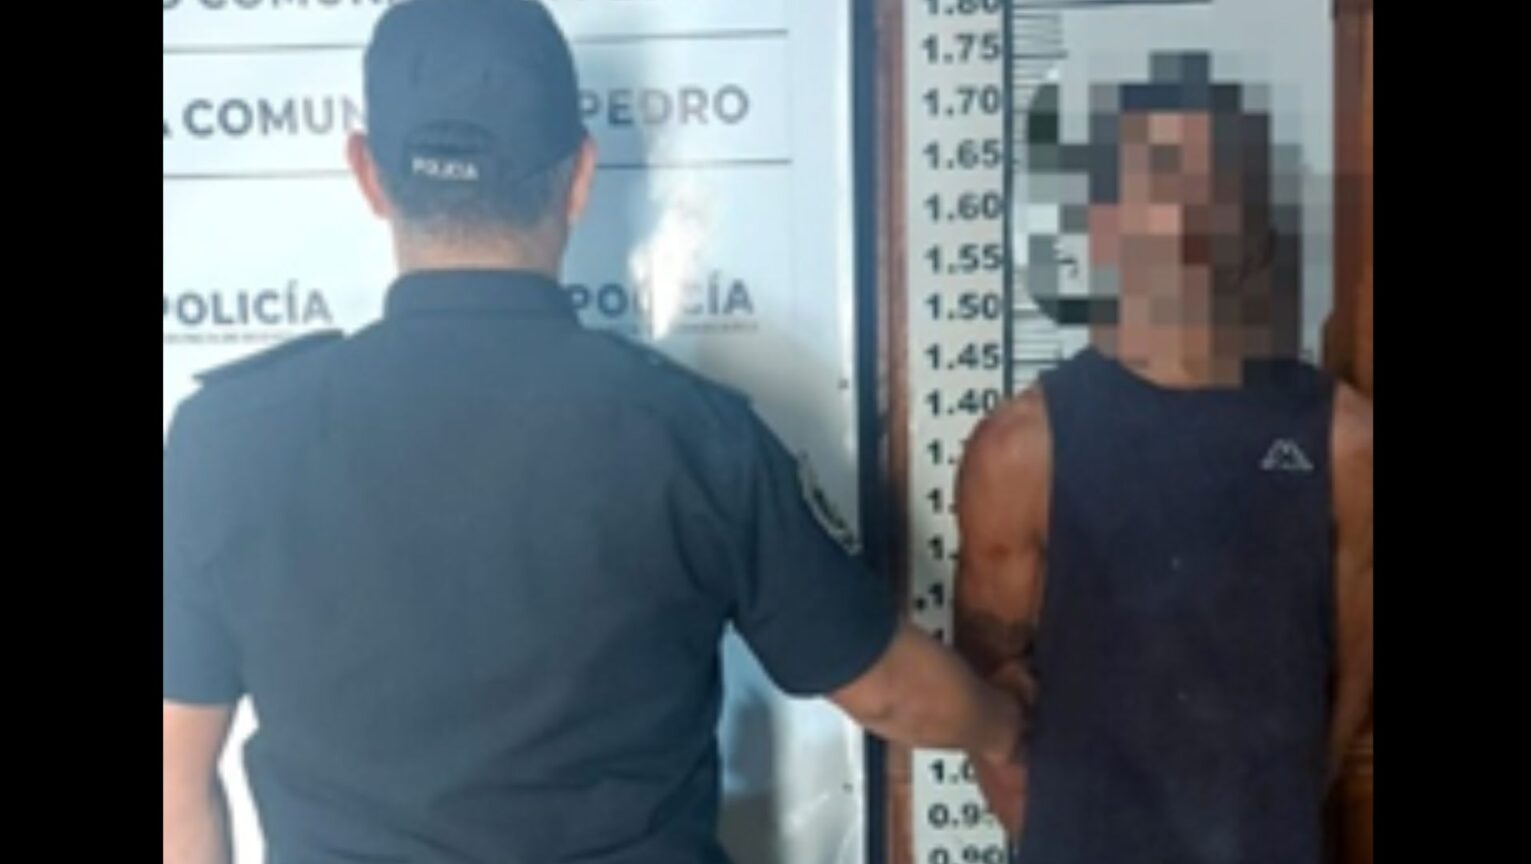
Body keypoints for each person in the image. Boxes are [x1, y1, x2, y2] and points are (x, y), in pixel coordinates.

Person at [162, 2, 1023, 863]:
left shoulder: (223, 442)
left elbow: (175, 791)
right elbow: (886, 692)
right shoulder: (689, 435)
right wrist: (1010, 725)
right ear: (579, 176)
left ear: (367, 174)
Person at [954, 54, 1373, 864]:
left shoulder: (1344, 440)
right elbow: (991, 704)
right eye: (1163, 182)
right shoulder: (1022, 450)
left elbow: (1351, 670)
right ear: (1105, 220)